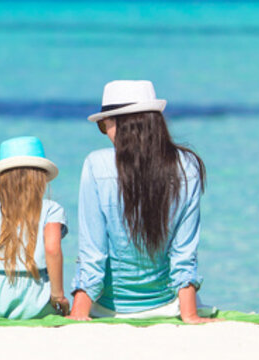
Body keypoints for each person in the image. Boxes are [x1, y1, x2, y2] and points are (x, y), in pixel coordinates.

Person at [67, 80, 219, 324]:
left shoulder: (96, 165)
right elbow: (184, 253)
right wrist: (189, 315)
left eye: (104, 126)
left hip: (106, 310)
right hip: (169, 307)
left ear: (121, 125)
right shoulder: (187, 166)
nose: (107, 134)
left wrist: (79, 314)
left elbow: (92, 253)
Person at [0, 136, 68, 319]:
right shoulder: (51, 209)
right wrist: (58, 296)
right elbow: (52, 249)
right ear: (41, 178)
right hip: (32, 301)